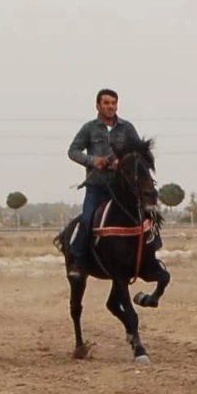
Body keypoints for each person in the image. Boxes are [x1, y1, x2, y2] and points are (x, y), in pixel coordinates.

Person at [66, 88, 143, 279]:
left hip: (122, 189)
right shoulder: (89, 128)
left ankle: (151, 253)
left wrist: (122, 163)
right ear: (98, 105)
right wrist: (94, 160)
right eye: (106, 103)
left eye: (113, 103)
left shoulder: (127, 128)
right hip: (97, 187)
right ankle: (77, 261)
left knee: (145, 216)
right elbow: (73, 151)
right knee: (86, 220)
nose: (110, 106)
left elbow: (138, 152)